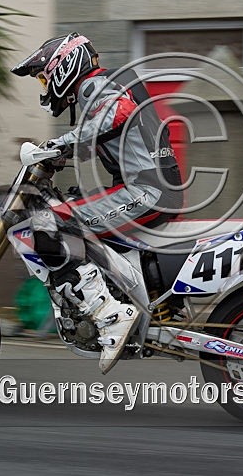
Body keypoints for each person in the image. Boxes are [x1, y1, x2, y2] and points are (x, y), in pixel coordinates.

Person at [10, 32, 182, 373]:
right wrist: (61, 155)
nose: (45, 85)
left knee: (53, 224)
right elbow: (111, 132)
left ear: (64, 67)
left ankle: (111, 316)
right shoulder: (101, 86)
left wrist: (59, 143)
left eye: (45, 76)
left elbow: (118, 112)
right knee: (70, 203)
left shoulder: (95, 86)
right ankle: (115, 297)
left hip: (146, 192)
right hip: (150, 187)